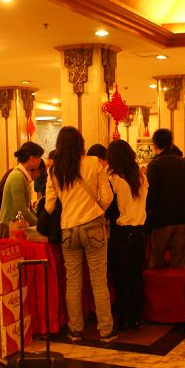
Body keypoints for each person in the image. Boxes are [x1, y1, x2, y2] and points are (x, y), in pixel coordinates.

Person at [45, 127, 116, 342]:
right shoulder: (93, 162)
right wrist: (96, 211)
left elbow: (49, 206)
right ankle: (106, 330)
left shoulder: (54, 169)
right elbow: (108, 196)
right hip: (93, 227)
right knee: (98, 281)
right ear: (80, 142)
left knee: (73, 282)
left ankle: (75, 329)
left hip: (68, 228)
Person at [106, 139, 148, 331]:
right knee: (135, 276)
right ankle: (136, 317)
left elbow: (110, 210)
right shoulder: (141, 178)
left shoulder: (113, 180)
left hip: (121, 234)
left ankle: (123, 318)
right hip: (139, 232)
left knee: (121, 278)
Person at [145, 129, 185, 268]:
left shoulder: (155, 165)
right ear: (171, 144)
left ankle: (156, 283)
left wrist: (149, 210)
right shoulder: (184, 163)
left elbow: (152, 192)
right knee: (179, 260)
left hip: (162, 218)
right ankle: (176, 283)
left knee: (157, 258)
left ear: (155, 145)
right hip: (184, 218)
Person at [0, 141, 44, 238]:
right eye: (39, 157)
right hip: (9, 226)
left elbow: (27, 207)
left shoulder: (21, 176)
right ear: (32, 158)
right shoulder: (17, 177)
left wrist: (40, 220)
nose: (40, 160)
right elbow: (21, 208)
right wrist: (40, 225)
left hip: (15, 225)